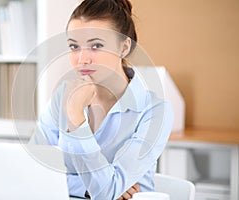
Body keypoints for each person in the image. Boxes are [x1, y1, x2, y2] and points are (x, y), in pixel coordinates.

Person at [29, 0, 174, 199]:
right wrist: (91, 187)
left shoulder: (155, 111)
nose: (82, 59)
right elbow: (32, 170)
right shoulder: (62, 95)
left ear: (123, 47)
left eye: (96, 45)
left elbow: (106, 193)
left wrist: (75, 117)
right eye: (74, 46)